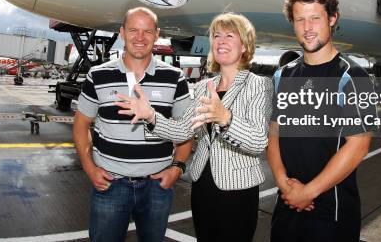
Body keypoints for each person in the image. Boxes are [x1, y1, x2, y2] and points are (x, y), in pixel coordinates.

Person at [116, 12, 273, 242]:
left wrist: (225, 118)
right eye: (216, 35)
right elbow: (182, 131)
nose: (221, 41)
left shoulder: (259, 85)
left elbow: (259, 141)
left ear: (244, 45)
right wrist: (151, 116)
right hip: (202, 187)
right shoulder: (202, 87)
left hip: (237, 191)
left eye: (230, 35)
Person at [72, 7, 193, 242]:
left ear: (157, 34)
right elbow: (80, 124)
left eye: (147, 31)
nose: (140, 38)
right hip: (110, 184)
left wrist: (177, 168)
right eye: (133, 30)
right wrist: (89, 168)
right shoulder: (98, 75)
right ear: (122, 33)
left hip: (157, 187)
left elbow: (186, 129)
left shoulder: (174, 77)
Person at [267, 0, 375, 242]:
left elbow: (359, 144)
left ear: (332, 19)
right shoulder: (282, 75)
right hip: (288, 205)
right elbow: (274, 134)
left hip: (332, 213)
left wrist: (309, 192)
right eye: (300, 19)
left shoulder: (353, 77)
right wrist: (284, 184)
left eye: (315, 18)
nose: (308, 28)